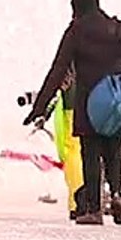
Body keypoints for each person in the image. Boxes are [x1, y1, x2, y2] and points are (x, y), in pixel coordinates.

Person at [23, 0, 121, 225]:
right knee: (113, 149)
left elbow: (57, 71)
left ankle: (93, 208)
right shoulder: (119, 28)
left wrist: (39, 108)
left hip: (89, 102)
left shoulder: (76, 30)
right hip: (116, 101)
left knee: (90, 153)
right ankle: (117, 195)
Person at [49, 67, 84, 219]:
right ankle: (90, 201)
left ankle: (77, 202)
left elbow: (63, 74)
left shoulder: (74, 44)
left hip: (73, 102)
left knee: (73, 151)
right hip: (98, 99)